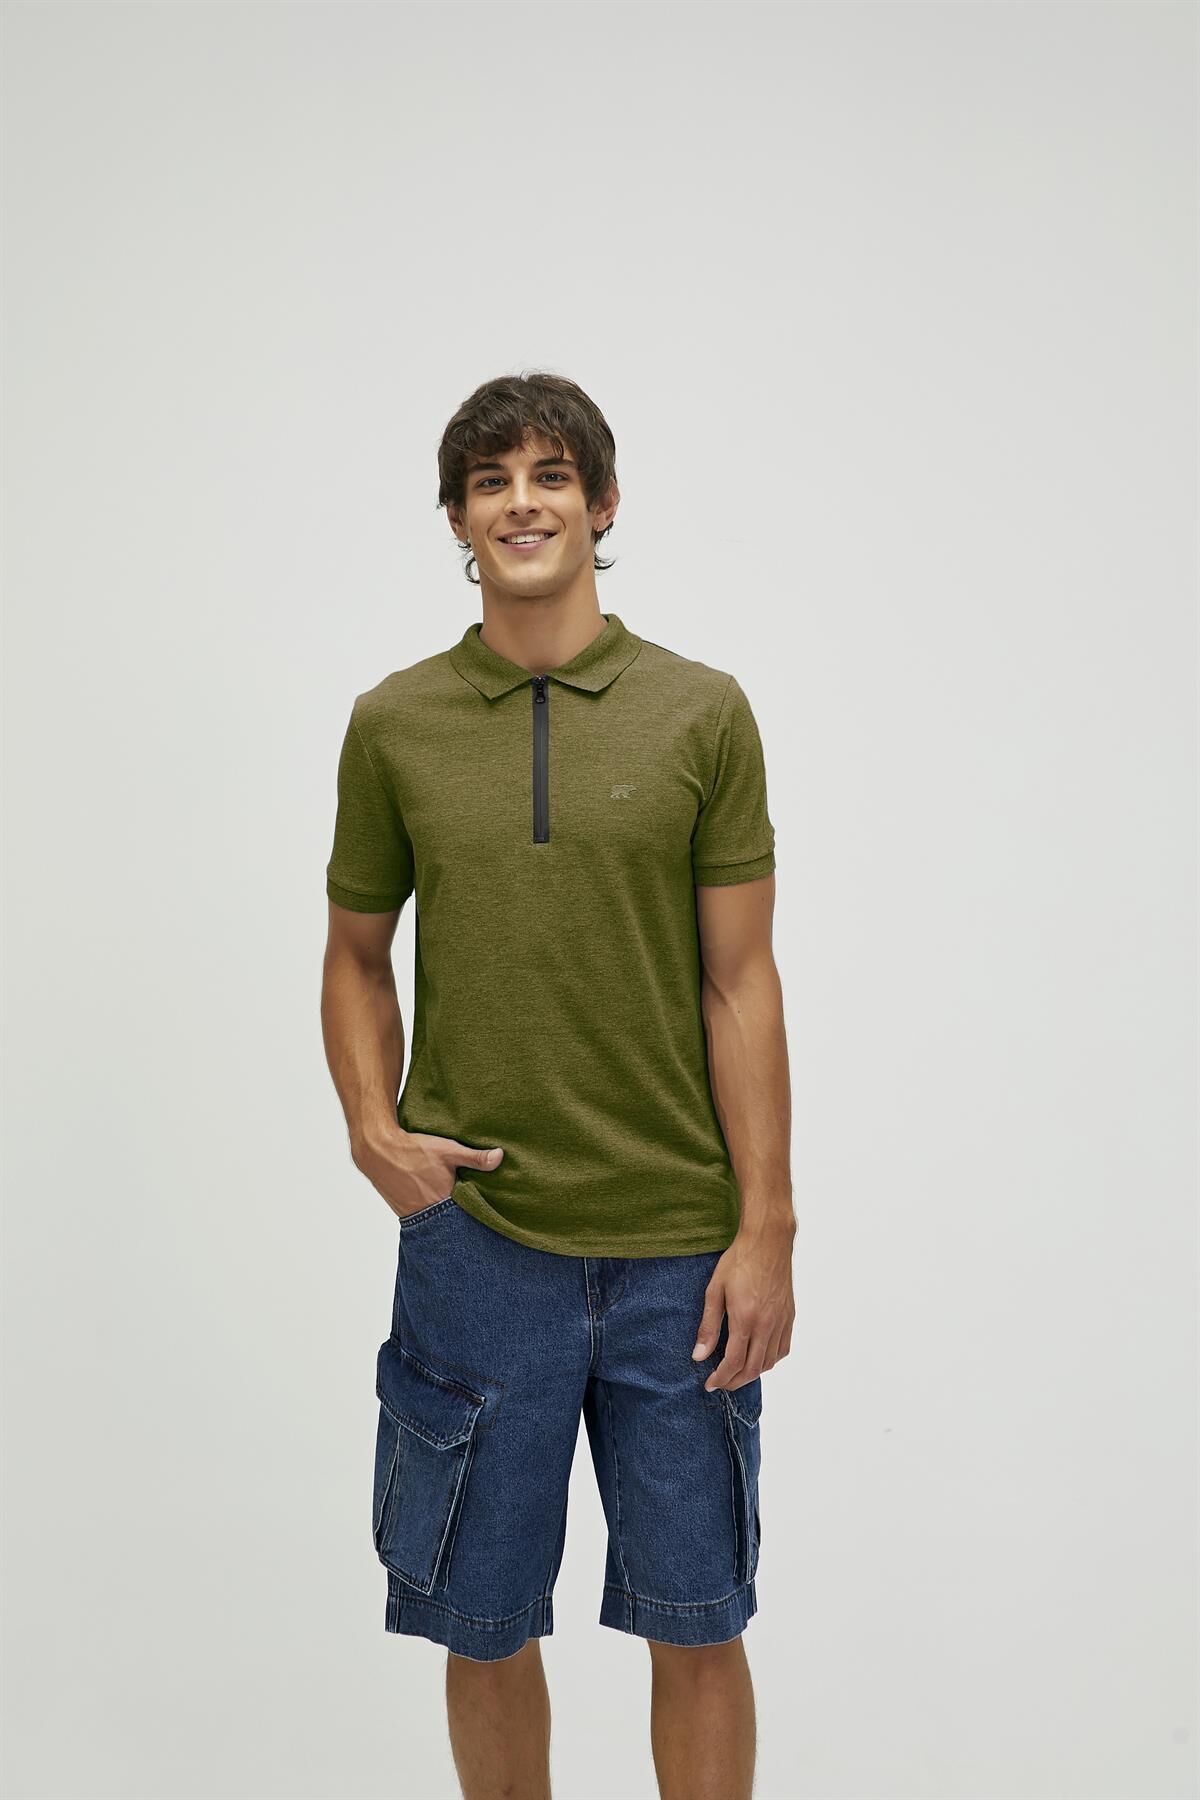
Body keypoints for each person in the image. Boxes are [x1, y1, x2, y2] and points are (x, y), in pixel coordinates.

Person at [320, 370, 796, 1800]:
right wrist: (374, 1131)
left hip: (680, 1251)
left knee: (698, 1617)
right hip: (479, 1246)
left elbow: (742, 982)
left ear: (602, 503)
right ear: (457, 519)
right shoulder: (395, 723)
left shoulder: (701, 713)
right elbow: (355, 955)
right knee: (482, 1625)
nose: (521, 503)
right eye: (491, 481)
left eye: (550, 475)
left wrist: (767, 1228)